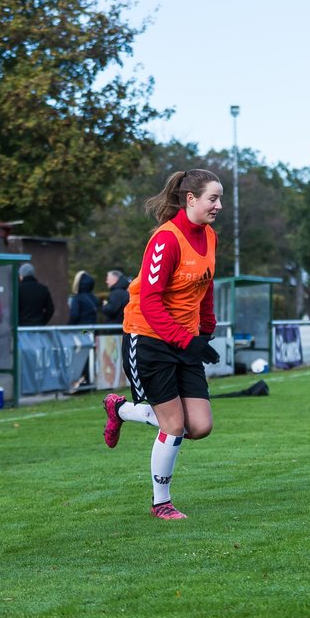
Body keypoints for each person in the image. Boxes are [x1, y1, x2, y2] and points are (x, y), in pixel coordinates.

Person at [100, 170, 222, 520]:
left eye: (220, 198)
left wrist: (205, 331)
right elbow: (150, 302)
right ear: (191, 199)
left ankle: (120, 410)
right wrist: (187, 340)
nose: (219, 205)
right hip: (149, 338)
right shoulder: (166, 240)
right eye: (213, 198)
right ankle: (161, 503)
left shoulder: (210, 236)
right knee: (173, 426)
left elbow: (206, 285)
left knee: (199, 426)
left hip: (184, 341)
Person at [17, 262, 54, 326]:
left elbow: (15, 309)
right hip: (38, 327)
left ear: (22, 275)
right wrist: (43, 321)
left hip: (22, 328)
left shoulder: (18, 289)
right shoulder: (43, 289)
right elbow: (50, 309)